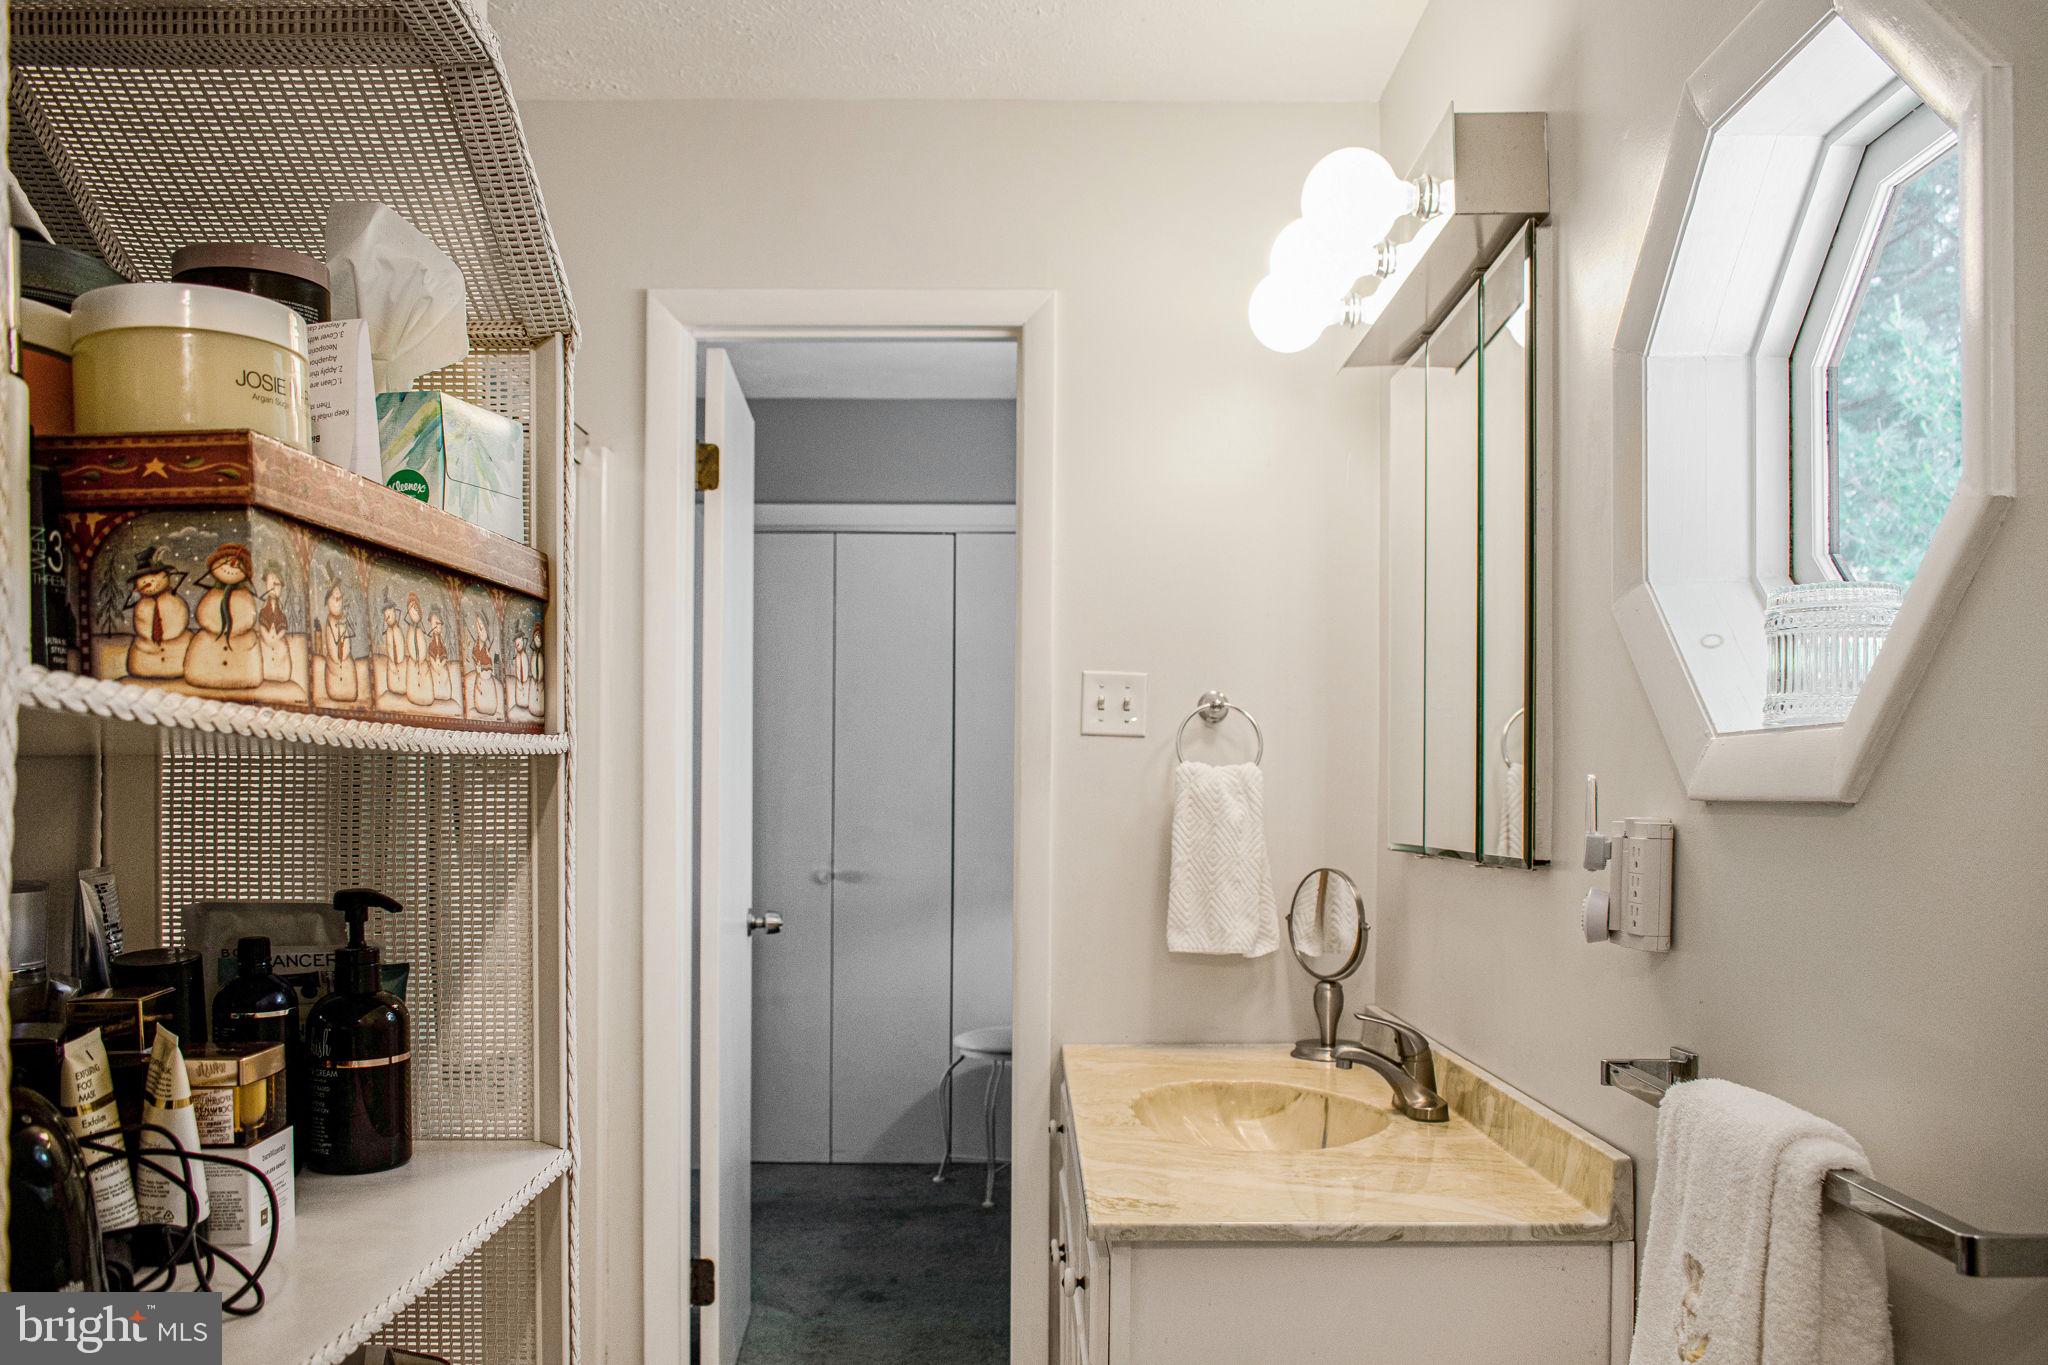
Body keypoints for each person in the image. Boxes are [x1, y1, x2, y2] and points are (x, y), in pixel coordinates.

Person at [184, 543, 262, 691]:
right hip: (211, 640)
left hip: (239, 642)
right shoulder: (213, 594)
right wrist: (215, 628)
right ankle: (201, 674)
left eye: (238, 565)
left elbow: (248, 618)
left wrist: (234, 630)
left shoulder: (244, 596)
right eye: (225, 562)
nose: (231, 567)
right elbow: (203, 614)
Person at [123, 546, 190, 679]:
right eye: (142, 579)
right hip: (148, 655)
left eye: (154, 575)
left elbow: (180, 621)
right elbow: (141, 627)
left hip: (176, 653)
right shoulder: (142, 605)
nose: (148, 581)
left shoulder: (173, 599)